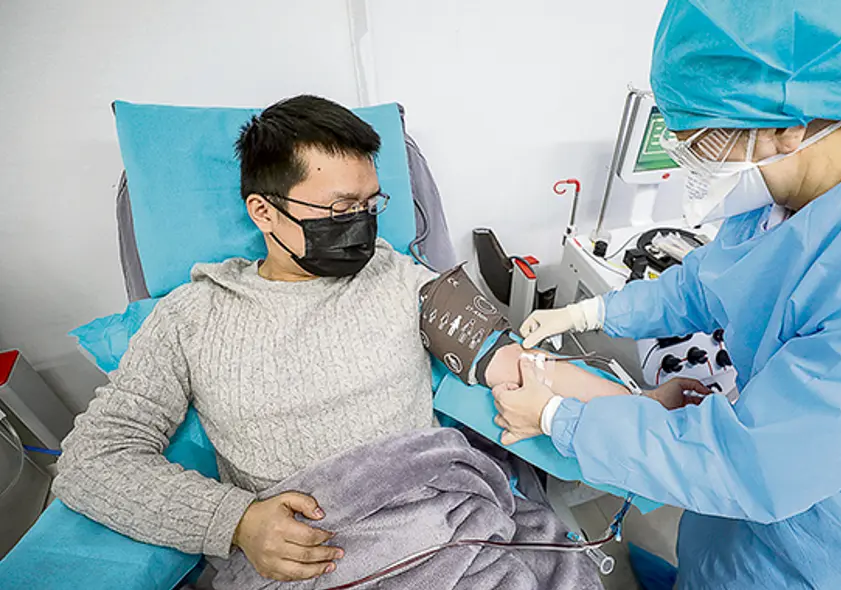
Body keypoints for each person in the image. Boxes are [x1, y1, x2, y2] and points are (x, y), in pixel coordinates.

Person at [53, 94, 697, 586]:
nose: (362, 226)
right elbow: (93, 461)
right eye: (340, 210)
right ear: (264, 212)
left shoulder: (402, 278)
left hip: (444, 533)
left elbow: (515, 364)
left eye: (371, 205)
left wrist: (641, 406)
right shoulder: (191, 317)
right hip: (311, 557)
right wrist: (235, 521)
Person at [491, 1, 841, 589]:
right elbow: (718, 277)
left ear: (787, 127)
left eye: (703, 144)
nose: (691, 163)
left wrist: (558, 418)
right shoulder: (810, 181)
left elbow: (753, 467)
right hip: (754, 512)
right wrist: (594, 311)